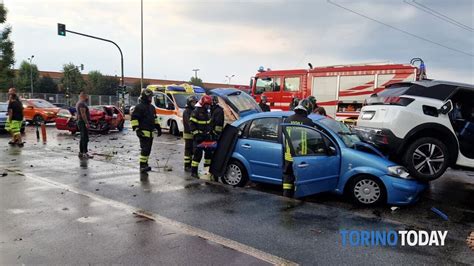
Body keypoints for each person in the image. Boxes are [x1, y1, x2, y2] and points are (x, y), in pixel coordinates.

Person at [282, 99, 315, 198]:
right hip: (302, 157)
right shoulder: (308, 122)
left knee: (288, 178)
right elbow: (313, 139)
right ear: (307, 109)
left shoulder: (287, 120)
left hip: (288, 156)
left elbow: (284, 138)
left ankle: (286, 196)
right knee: (301, 179)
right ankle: (299, 198)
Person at [131, 88, 162, 173]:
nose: (150, 98)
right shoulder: (139, 107)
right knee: (145, 149)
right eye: (149, 97)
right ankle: (142, 166)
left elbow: (155, 119)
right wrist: (137, 129)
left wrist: (158, 127)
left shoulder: (152, 107)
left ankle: (145, 164)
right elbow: (134, 119)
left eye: (151, 97)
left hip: (150, 132)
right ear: (144, 97)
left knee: (148, 149)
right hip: (143, 131)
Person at [189, 95, 212, 178]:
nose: (208, 106)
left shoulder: (207, 112)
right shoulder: (196, 112)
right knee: (197, 155)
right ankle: (193, 172)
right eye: (206, 104)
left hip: (207, 137)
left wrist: (211, 133)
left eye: (209, 104)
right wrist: (196, 134)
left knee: (208, 155)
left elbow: (209, 124)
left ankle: (206, 171)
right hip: (199, 137)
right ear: (202, 103)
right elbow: (191, 124)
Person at [76, 92, 93, 159]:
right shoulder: (82, 104)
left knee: (82, 137)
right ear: (83, 96)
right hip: (82, 122)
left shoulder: (79, 103)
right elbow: (83, 114)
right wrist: (86, 123)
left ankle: (81, 152)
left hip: (81, 122)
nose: (88, 98)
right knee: (85, 138)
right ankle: (85, 153)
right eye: (87, 96)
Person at [183, 95, 198, 172]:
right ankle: (187, 165)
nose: (194, 103)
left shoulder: (194, 110)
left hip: (193, 134)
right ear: (189, 102)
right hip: (188, 133)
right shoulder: (187, 111)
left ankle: (190, 164)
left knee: (192, 150)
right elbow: (189, 123)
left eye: (195, 102)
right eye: (193, 102)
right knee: (188, 150)